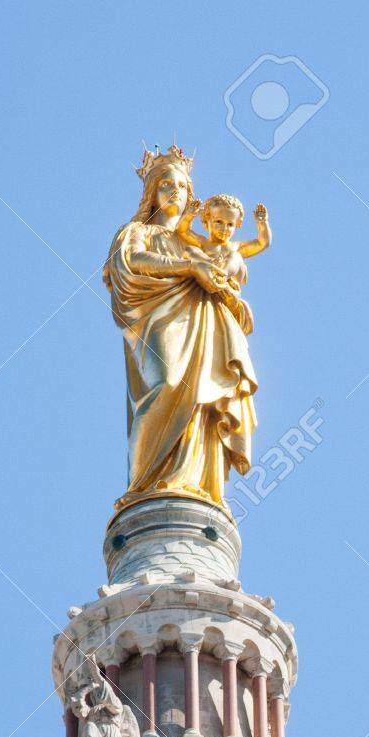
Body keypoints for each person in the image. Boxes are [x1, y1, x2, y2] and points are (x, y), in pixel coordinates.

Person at [104, 145, 259, 510]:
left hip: (206, 325)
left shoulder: (198, 243)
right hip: (162, 321)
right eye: (166, 185)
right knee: (169, 381)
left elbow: (227, 278)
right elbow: (130, 263)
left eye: (182, 187)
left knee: (205, 400)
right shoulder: (138, 231)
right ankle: (144, 484)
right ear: (152, 193)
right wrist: (189, 269)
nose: (175, 192)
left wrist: (231, 296)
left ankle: (193, 479)